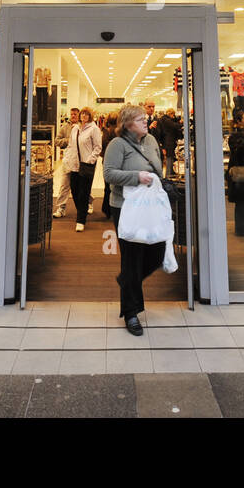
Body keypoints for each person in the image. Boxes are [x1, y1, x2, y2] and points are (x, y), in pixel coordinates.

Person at [103, 103, 168, 335]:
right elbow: (109, 174)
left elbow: (158, 168)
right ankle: (131, 313)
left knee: (158, 251)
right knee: (132, 257)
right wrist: (136, 177)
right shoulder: (117, 144)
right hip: (126, 208)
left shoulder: (151, 141)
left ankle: (127, 280)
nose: (146, 122)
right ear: (128, 124)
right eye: (141, 119)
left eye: (146, 118)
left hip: (151, 207)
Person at [68, 107, 102, 231]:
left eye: (86, 114)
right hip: (75, 164)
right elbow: (71, 146)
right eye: (82, 114)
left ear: (90, 116)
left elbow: (98, 147)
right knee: (74, 190)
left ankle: (81, 220)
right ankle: (82, 210)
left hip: (86, 165)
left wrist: (90, 160)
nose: (83, 116)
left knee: (83, 192)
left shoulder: (94, 129)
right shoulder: (75, 129)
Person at [53, 108, 79, 218]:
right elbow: (56, 141)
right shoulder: (65, 127)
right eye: (72, 114)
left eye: (75, 114)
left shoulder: (84, 127)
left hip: (80, 161)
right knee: (64, 185)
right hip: (67, 160)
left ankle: (88, 203)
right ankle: (61, 208)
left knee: (81, 185)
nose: (73, 116)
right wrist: (67, 140)